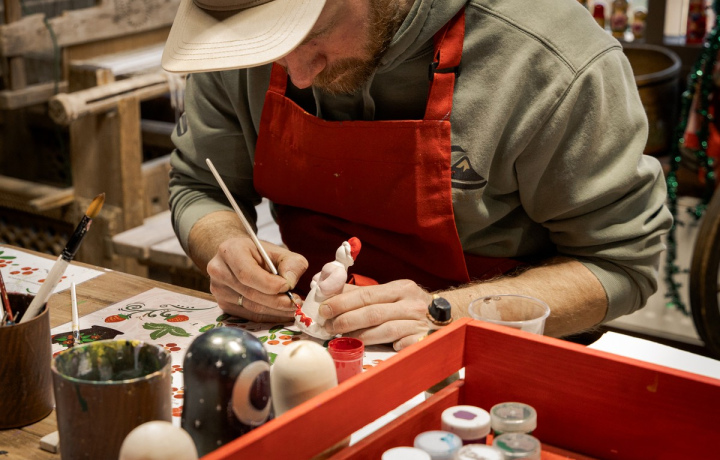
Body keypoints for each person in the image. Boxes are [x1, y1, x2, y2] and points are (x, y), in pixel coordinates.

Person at [162, 0, 673, 350]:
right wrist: (226, 247)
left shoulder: (550, 60)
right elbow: (200, 187)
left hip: (493, 360)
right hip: (314, 345)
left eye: (312, 36)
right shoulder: (238, 35)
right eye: (273, 49)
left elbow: (620, 263)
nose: (298, 74)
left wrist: (448, 312)